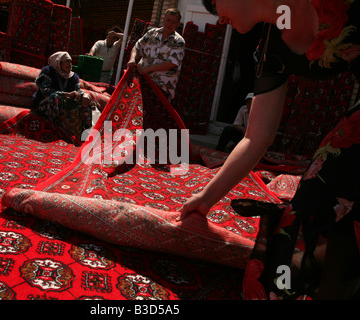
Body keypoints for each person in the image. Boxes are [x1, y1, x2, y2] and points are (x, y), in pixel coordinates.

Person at [179, 0, 360, 300]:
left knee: (333, 164)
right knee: (320, 194)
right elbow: (256, 137)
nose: (214, 12)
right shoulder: (272, 49)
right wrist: (205, 199)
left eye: (213, 1)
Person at [127, 8, 185, 100]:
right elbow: (137, 47)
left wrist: (148, 69)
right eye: (168, 20)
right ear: (163, 19)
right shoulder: (151, 33)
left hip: (161, 87)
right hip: (142, 81)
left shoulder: (178, 41)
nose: (169, 24)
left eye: (173, 22)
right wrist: (132, 59)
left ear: (178, 24)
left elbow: (171, 63)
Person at [33, 51, 92, 140]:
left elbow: (77, 91)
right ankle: (54, 129)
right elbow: (46, 91)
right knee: (55, 97)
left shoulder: (73, 77)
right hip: (45, 104)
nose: (70, 64)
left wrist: (84, 95)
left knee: (86, 100)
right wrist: (65, 94)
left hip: (64, 104)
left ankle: (86, 133)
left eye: (71, 62)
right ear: (59, 63)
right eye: (67, 61)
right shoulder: (48, 71)